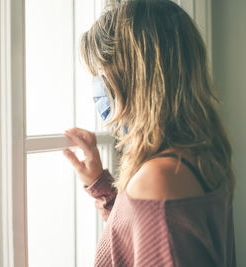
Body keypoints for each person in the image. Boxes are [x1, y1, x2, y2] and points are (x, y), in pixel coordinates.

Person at [62, 0, 236, 266]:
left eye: (102, 73)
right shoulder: (200, 152)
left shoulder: (161, 178)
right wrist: (101, 185)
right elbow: (143, 238)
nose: (98, 88)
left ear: (136, 76)